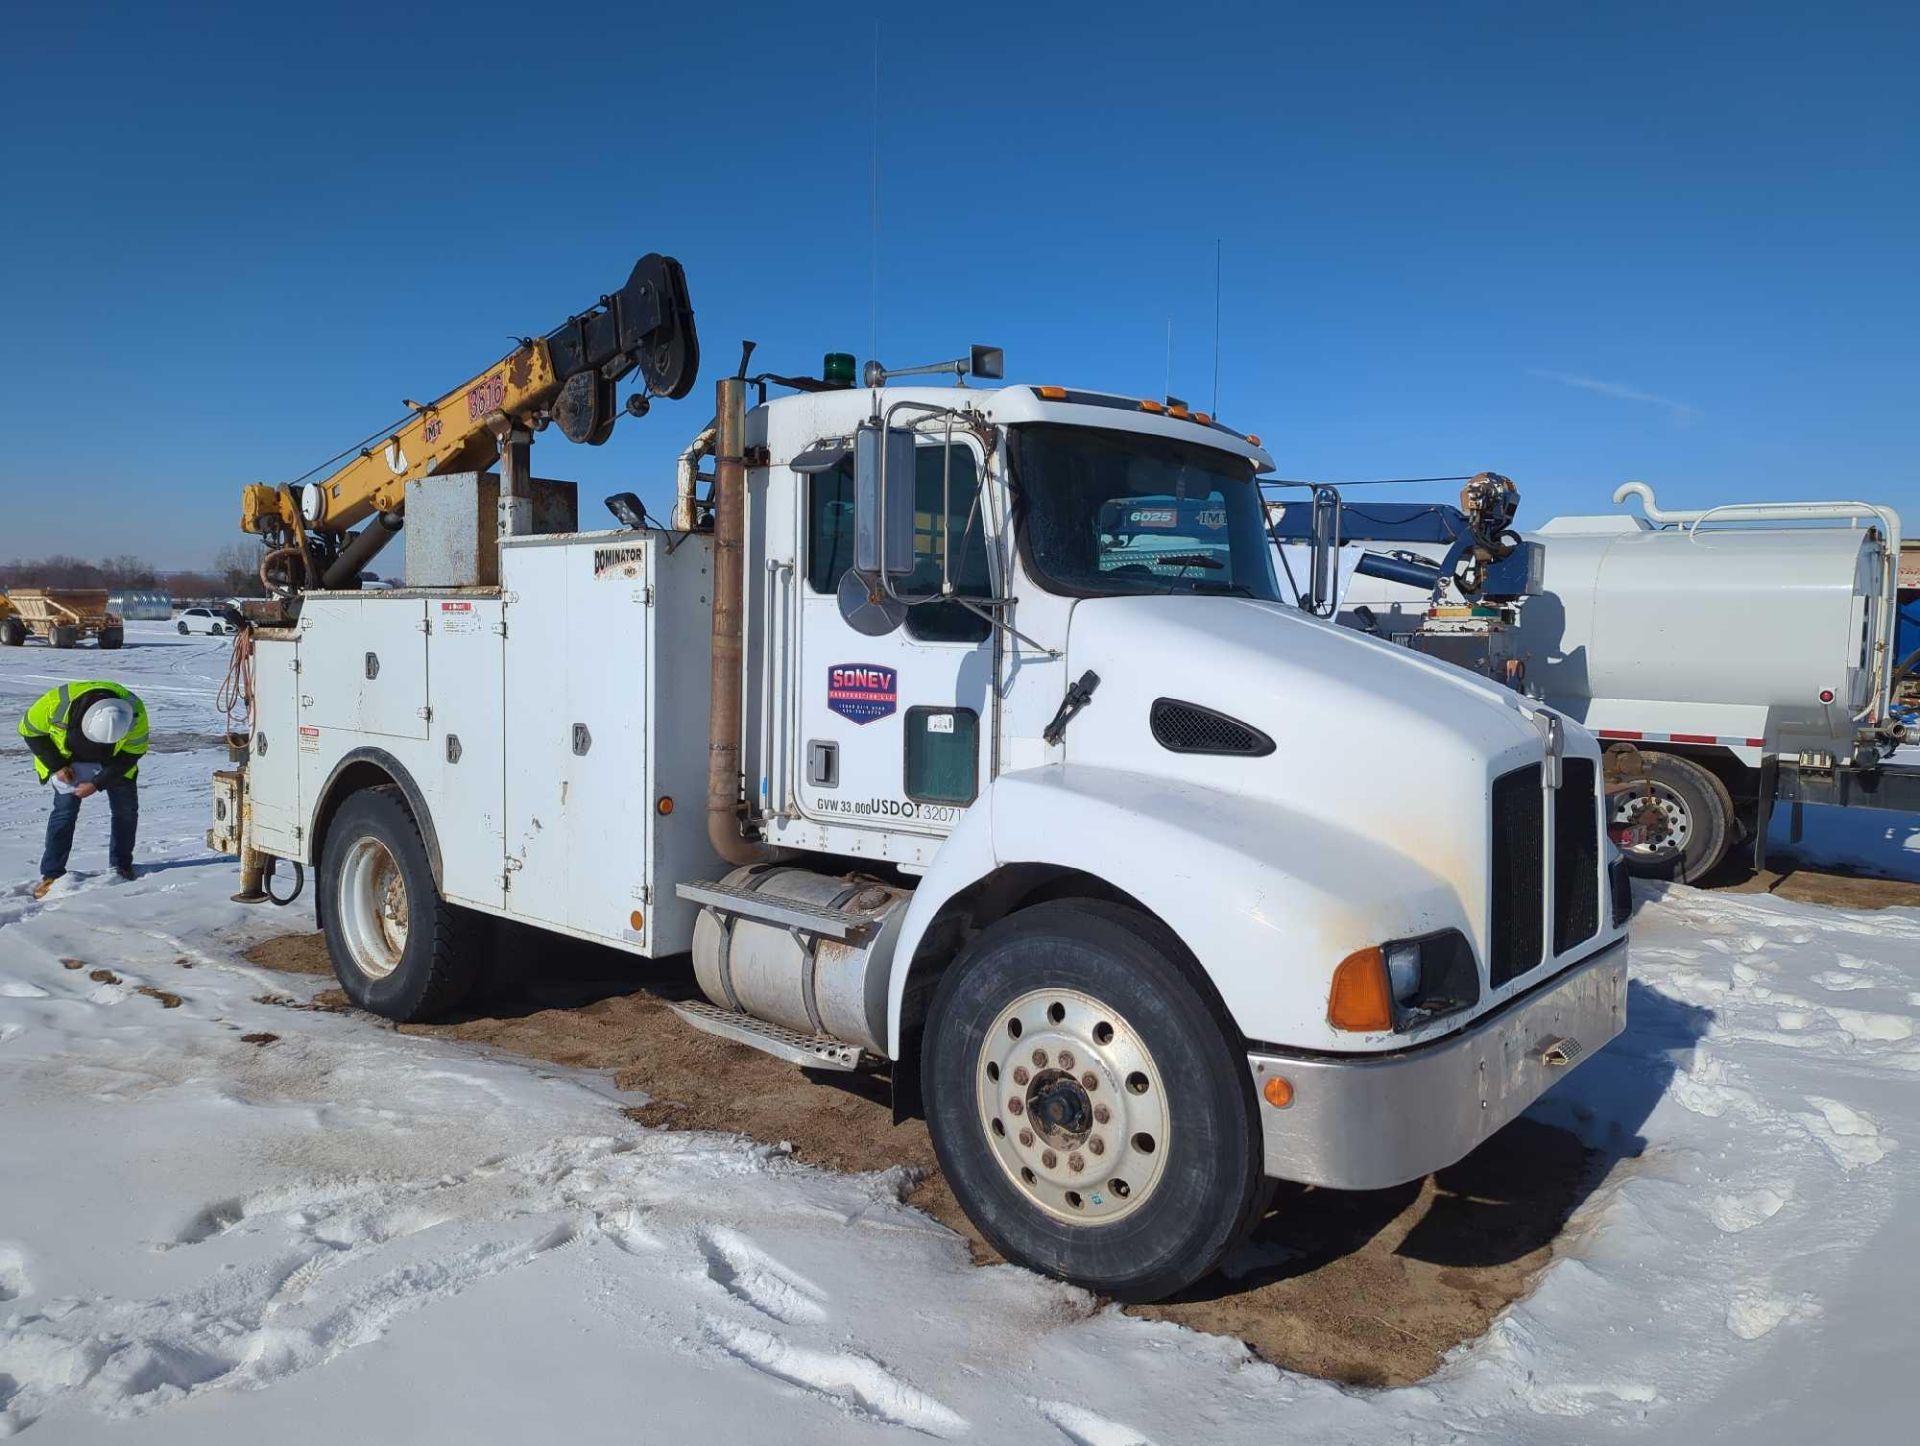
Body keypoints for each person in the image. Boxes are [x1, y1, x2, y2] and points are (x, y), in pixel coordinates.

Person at [18, 680, 149, 899]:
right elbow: (29, 731)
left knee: (126, 811)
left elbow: (134, 751)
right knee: (64, 813)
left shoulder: (135, 713)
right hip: (68, 761)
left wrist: (98, 783)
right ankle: (52, 874)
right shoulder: (55, 704)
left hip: (114, 761)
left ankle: (121, 866)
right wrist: (57, 766)